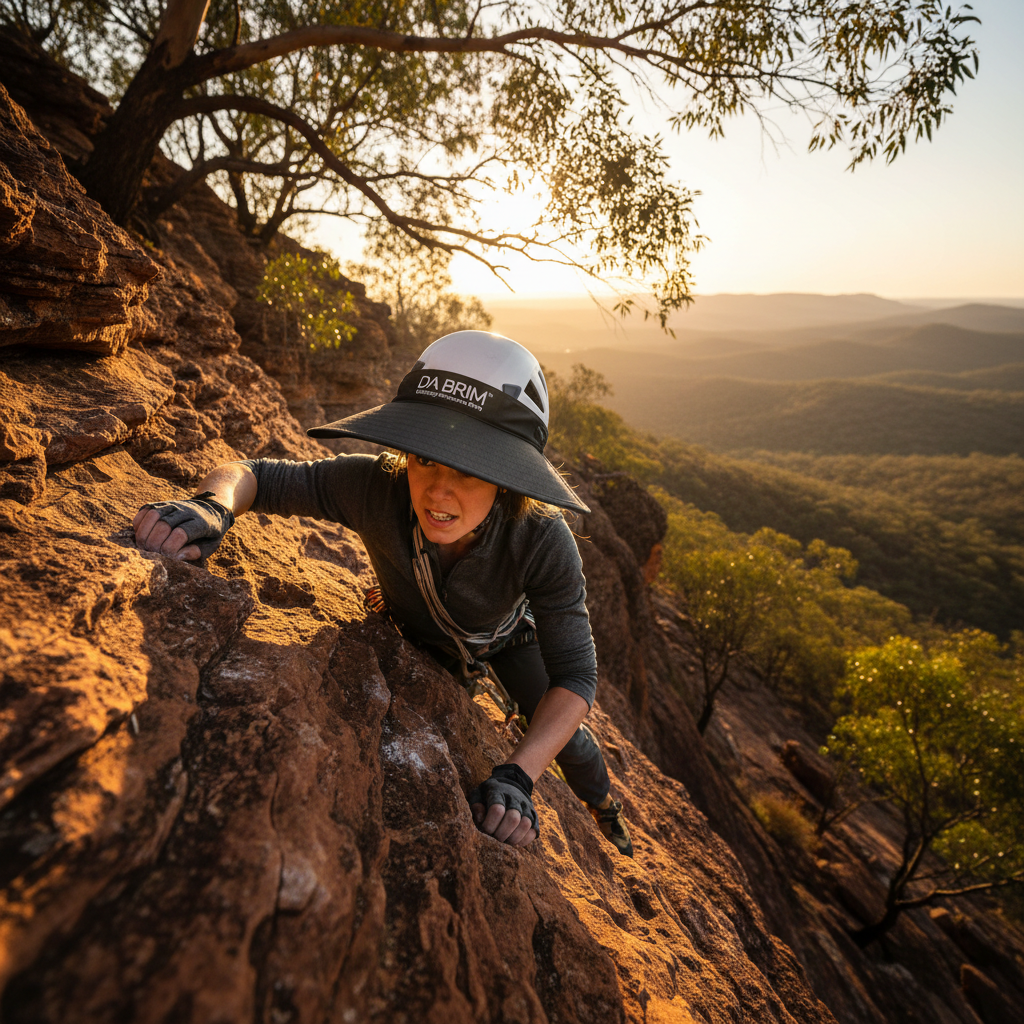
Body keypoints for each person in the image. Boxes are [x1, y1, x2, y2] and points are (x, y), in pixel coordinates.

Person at [133, 331, 632, 856]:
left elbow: (576, 676)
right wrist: (213, 506)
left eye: (470, 470)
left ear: (506, 479)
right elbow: (254, 475)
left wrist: (518, 775)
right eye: (426, 458)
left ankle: (605, 806)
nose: (438, 491)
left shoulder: (541, 538)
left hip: (506, 640)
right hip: (415, 632)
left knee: (569, 740)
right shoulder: (376, 488)